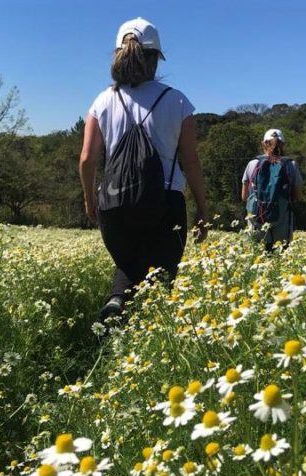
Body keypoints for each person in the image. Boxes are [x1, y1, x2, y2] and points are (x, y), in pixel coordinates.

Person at [80, 17, 209, 320]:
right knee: (161, 279)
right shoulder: (177, 101)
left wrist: (90, 199)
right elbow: (191, 162)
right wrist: (203, 209)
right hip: (164, 202)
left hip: (113, 203)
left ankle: (116, 303)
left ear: (118, 54)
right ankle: (151, 341)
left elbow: (87, 158)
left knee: (128, 266)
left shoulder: (102, 100)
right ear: (155, 58)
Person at [241, 129, 303, 252]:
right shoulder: (291, 165)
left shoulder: (252, 164)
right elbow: (298, 196)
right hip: (282, 223)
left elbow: (244, 197)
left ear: (263, 144)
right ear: (283, 145)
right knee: (280, 261)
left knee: (258, 260)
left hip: (257, 222)